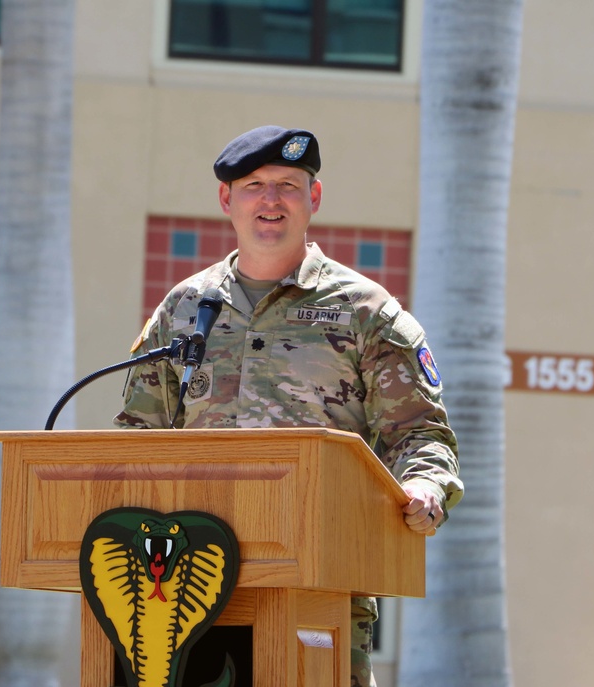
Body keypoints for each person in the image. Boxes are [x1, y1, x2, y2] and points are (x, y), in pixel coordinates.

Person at [114, 125, 463, 687]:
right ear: (227, 199)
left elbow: (420, 433)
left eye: (287, 185)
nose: (270, 200)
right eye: (254, 185)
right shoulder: (183, 308)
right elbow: (138, 436)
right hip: (186, 583)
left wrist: (424, 487)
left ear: (313, 198)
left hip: (320, 581)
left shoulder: (365, 311)